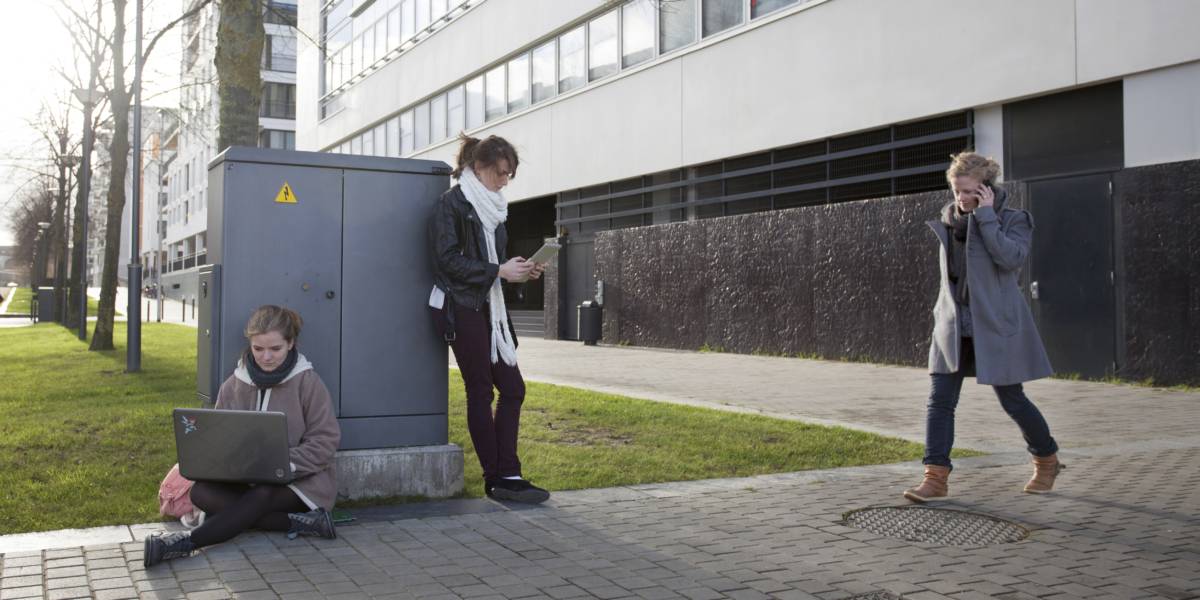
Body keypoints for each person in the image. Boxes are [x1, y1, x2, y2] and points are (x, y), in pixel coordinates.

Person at [904, 152, 1063, 503]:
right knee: (939, 401)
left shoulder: (1013, 219)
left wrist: (986, 217)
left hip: (994, 326)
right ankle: (935, 478)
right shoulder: (948, 220)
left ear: (987, 189)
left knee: (1013, 400)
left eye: (969, 191)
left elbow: (1011, 259)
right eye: (957, 191)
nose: (961, 199)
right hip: (953, 327)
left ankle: (1047, 459)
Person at [143, 305, 341, 567]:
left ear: (291, 343)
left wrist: (285, 463)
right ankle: (304, 524)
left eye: (275, 349)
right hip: (245, 479)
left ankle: (184, 544)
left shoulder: (308, 383)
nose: (266, 357)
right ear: (250, 344)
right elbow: (218, 436)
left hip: (300, 482)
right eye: (258, 349)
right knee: (201, 492)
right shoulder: (234, 385)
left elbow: (326, 440)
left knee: (262, 495)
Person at [429, 134, 549, 504]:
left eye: (509, 175)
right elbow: (447, 261)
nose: (504, 181)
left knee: (513, 389)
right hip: (460, 305)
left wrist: (522, 271)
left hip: (490, 307)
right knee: (480, 391)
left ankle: (508, 474)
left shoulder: (495, 210)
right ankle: (496, 478)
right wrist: (499, 271)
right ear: (478, 167)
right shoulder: (451, 204)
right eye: (500, 172)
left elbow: (495, 264)